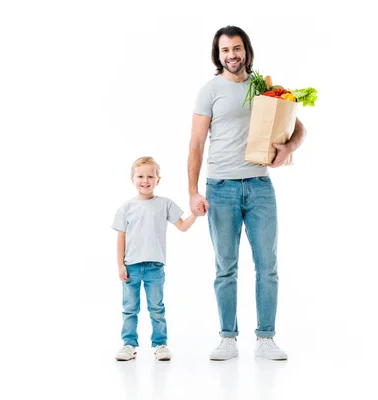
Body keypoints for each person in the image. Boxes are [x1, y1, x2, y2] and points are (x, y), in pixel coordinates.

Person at [188, 26, 307, 361]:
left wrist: (288, 148)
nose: (232, 55)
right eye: (225, 50)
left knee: (267, 265)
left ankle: (266, 338)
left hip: (259, 186)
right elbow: (196, 145)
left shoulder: (263, 87)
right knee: (226, 267)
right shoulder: (209, 91)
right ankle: (228, 338)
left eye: (237, 48)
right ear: (218, 55)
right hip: (220, 188)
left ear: (246, 50)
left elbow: (297, 125)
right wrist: (192, 191)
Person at [112, 156, 200, 361]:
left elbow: (182, 226)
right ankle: (129, 344)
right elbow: (121, 236)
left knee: (156, 308)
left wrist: (195, 214)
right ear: (132, 179)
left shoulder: (165, 204)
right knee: (130, 308)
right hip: (131, 266)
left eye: (150, 176)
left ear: (158, 180)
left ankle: (160, 344)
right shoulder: (127, 207)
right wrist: (120, 264)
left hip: (155, 267)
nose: (145, 180)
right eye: (140, 176)